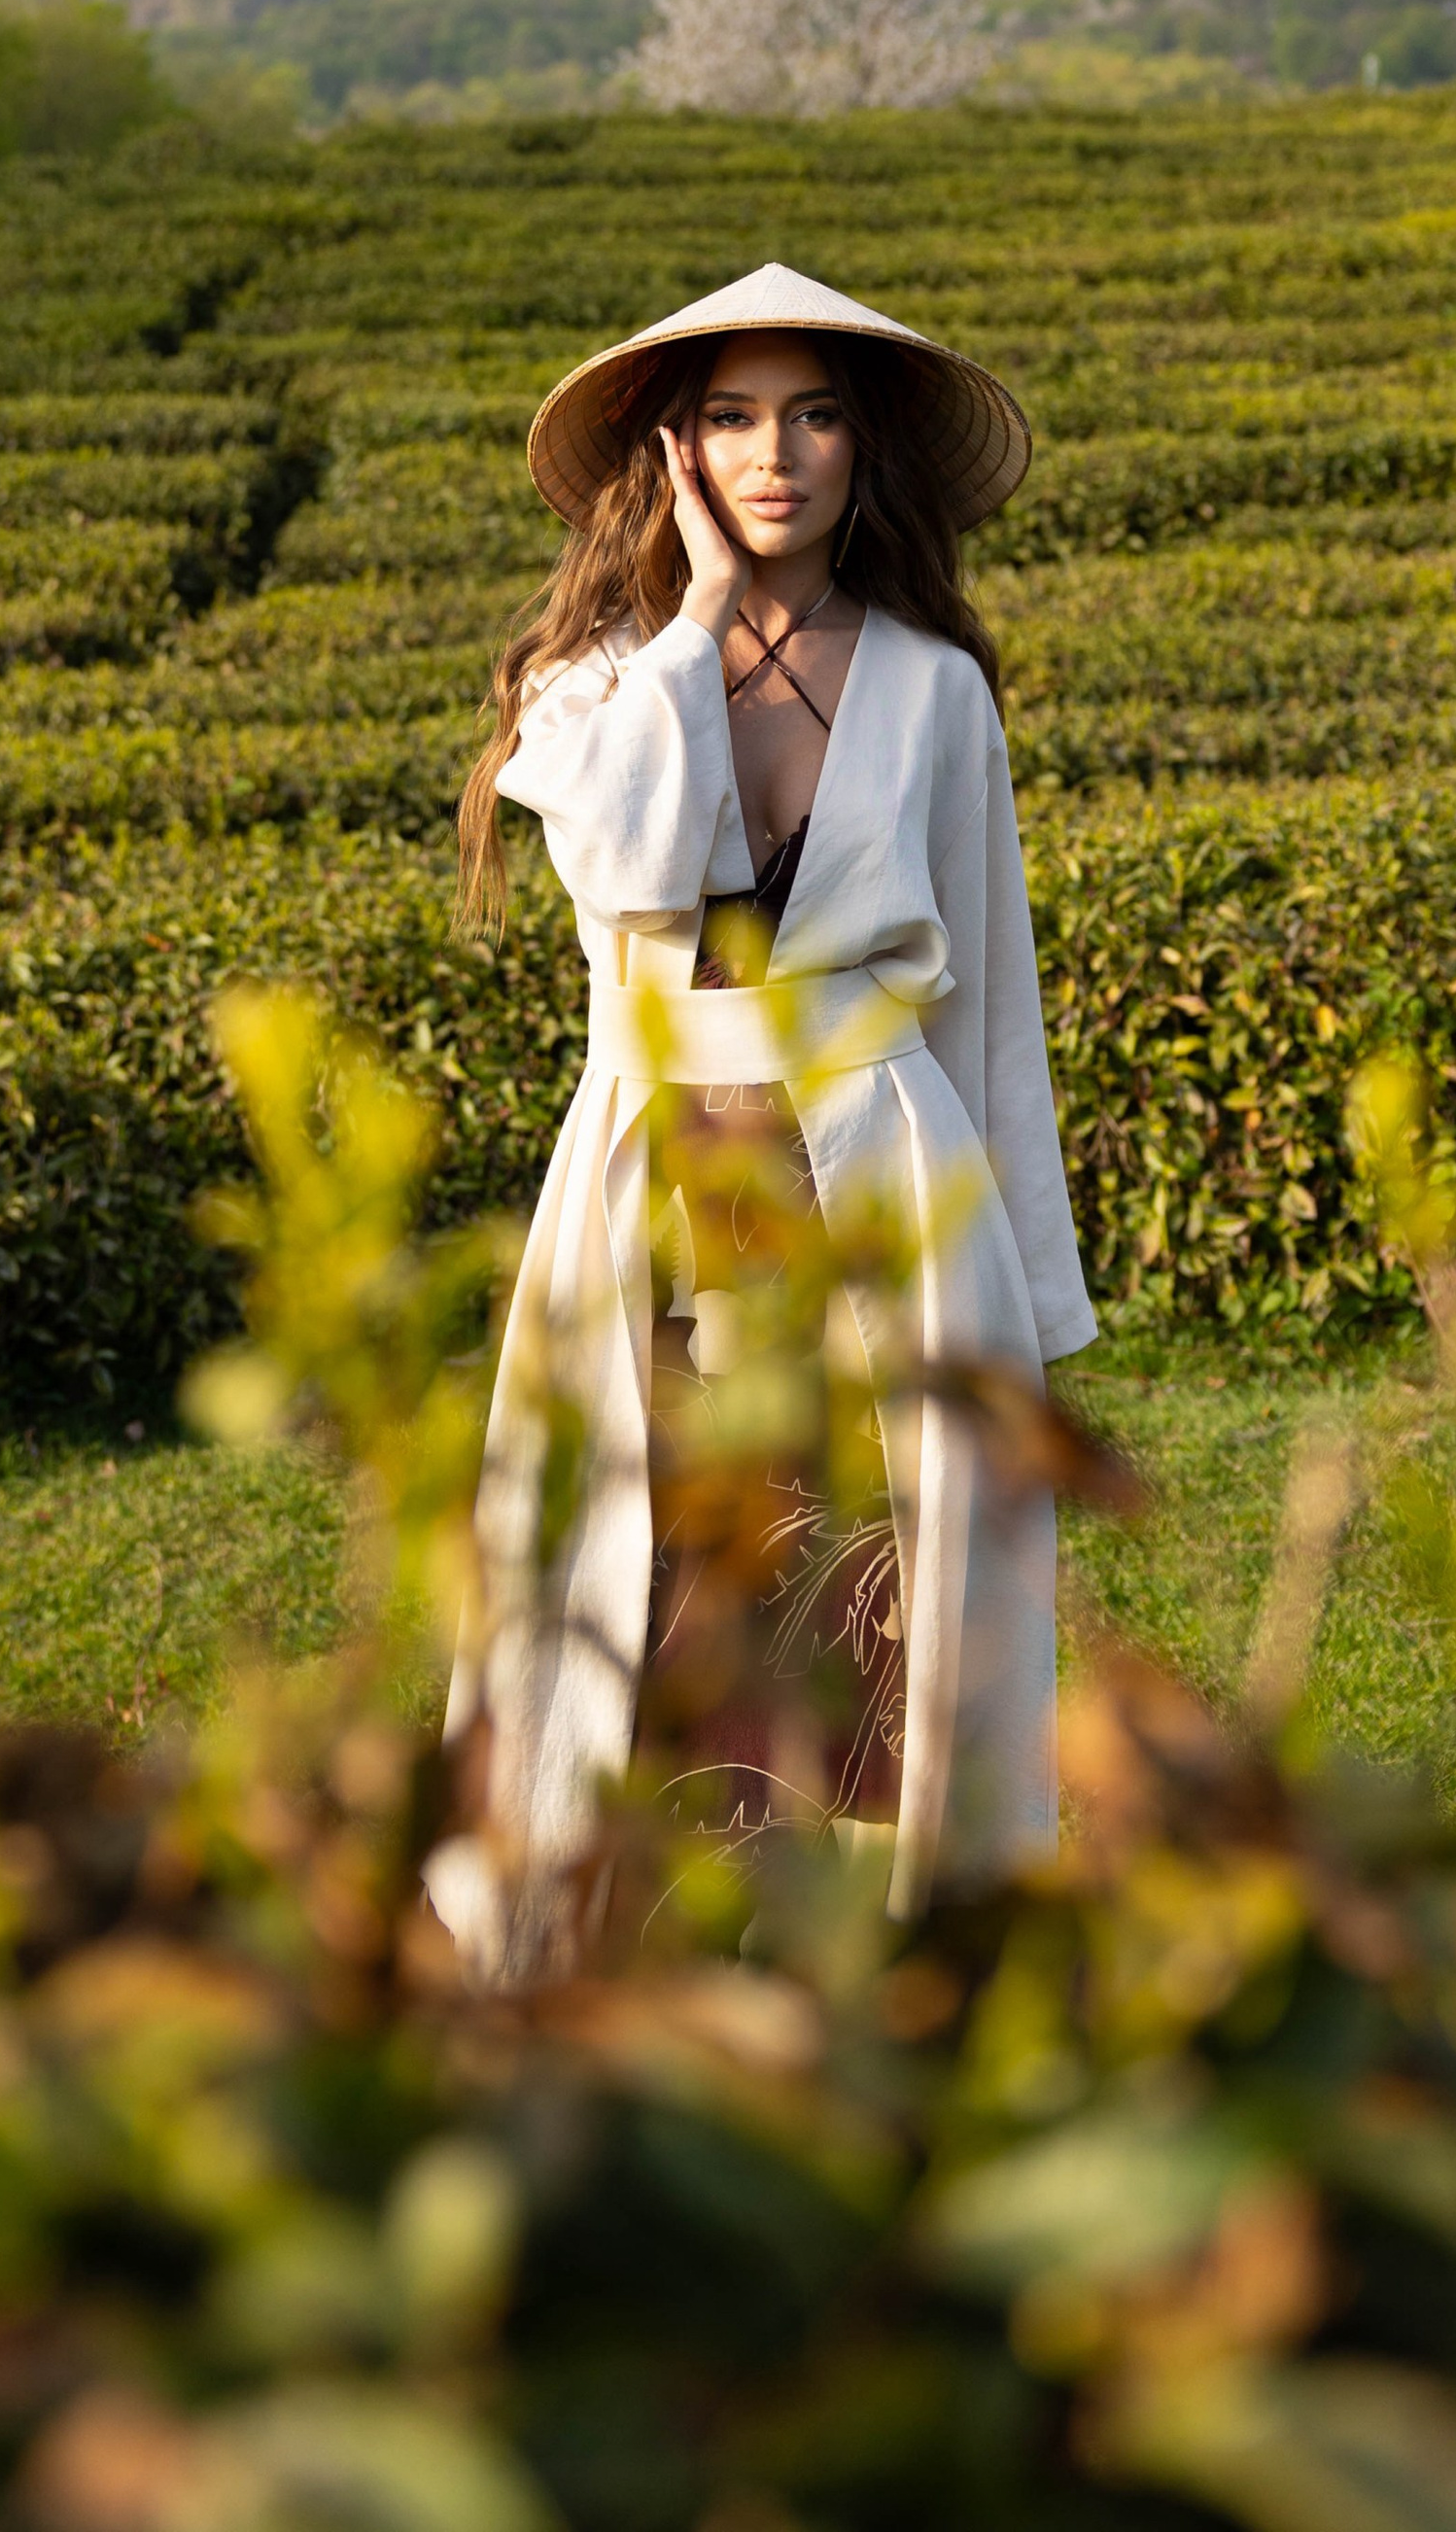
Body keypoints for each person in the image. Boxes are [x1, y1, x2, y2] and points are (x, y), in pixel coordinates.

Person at [427, 261, 1094, 1987]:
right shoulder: (592, 690)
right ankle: (619, 1942)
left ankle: (880, 1954)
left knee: (877, 1562)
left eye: (813, 415)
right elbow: (630, 865)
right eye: (730, 417)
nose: (774, 454)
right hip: (651, 1173)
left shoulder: (936, 688)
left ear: (866, 448)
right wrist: (698, 618)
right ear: (674, 452)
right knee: (637, 1552)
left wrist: (1028, 1303)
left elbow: (989, 997)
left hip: (882, 1160)